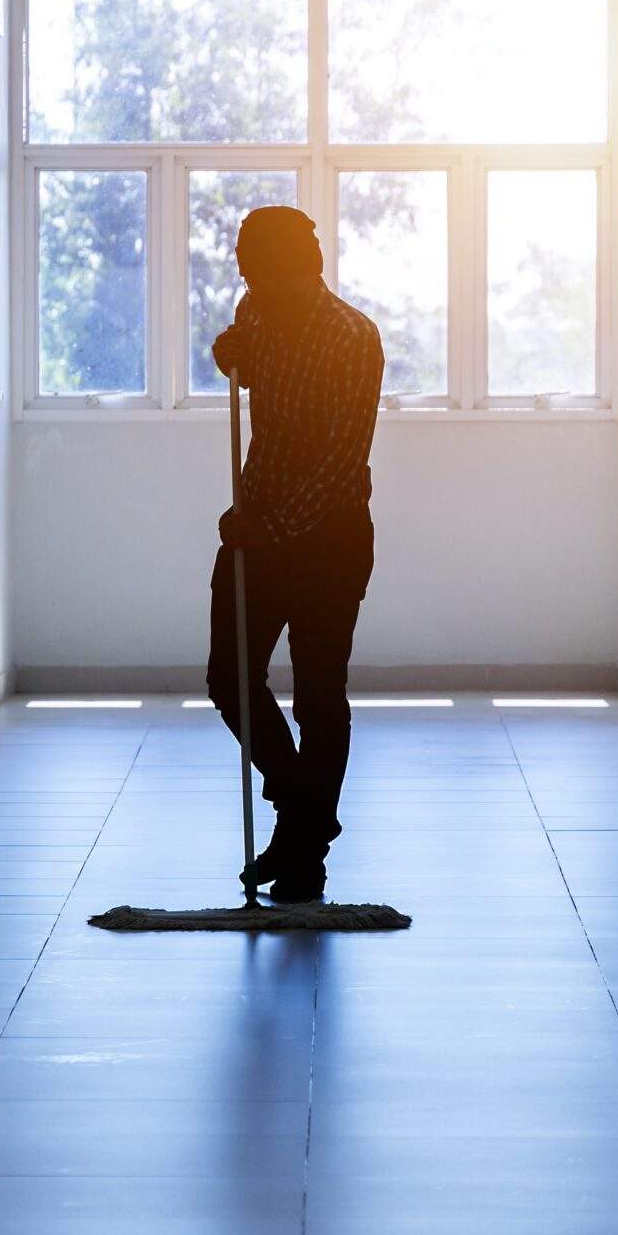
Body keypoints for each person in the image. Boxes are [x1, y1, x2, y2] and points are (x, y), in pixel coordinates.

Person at [206, 206, 385, 903]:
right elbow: (242, 351)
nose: (251, 286)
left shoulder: (351, 338)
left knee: (317, 695)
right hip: (254, 528)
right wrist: (230, 350)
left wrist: (270, 528)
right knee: (230, 677)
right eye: (245, 275)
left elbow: (342, 465)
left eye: (260, 275)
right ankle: (303, 810)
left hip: (328, 541)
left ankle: (305, 852)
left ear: (300, 268)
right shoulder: (259, 306)